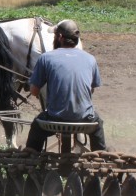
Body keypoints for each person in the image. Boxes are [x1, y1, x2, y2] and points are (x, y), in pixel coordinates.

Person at [24, 19, 108, 152]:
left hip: (54, 118)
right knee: (98, 125)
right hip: (84, 119)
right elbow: (91, 90)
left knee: (37, 126)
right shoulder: (90, 59)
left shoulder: (46, 58)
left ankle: (32, 159)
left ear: (60, 37)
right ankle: (100, 158)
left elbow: (34, 91)